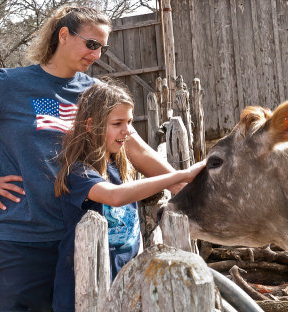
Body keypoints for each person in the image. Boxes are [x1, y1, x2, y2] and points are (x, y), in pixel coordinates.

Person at [0, 5, 183, 312]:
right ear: (64, 35)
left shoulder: (97, 94)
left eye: (103, 47)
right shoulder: (9, 85)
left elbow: (136, 148)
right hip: (19, 242)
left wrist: (182, 183)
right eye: (91, 44)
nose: (97, 54)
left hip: (82, 242)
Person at [53, 80, 206, 311]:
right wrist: (179, 176)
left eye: (130, 122)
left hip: (126, 286)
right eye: (118, 123)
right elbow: (115, 197)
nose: (127, 131)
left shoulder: (118, 167)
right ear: (91, 125)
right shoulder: (78, 173)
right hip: (84, 291)